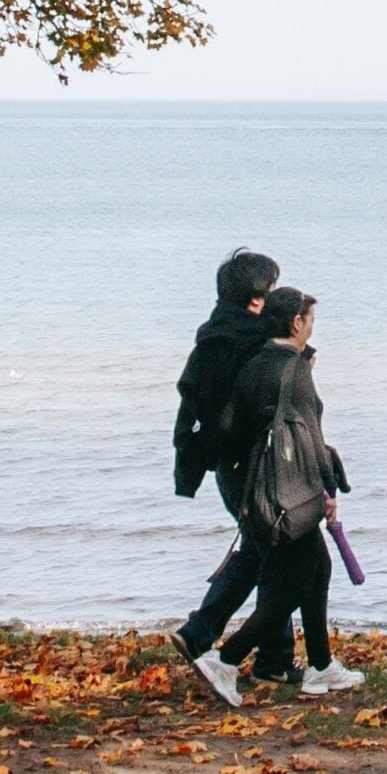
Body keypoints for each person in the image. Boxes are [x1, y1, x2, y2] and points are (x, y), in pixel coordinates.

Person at [202, 287, 361, 702]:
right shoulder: (295, 370)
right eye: (309, 322)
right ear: (296, 323)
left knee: (318, 569)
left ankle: (321, 667)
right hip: (295, 496)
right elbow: (311, 437)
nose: (310, 329)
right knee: (289, 589)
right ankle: (224, 660)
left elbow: (230, 431)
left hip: (262, 494)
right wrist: (328, 491)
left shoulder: (254, 365)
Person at [169, 249, 279, 674]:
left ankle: (275, 657)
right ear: (255, 300)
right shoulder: (254, 346)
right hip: (255, 463)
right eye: (269, 291)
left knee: (269, 551)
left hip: (224, 465)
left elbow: (192, 403)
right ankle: (201, 630)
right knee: (264, 552)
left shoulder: (210, 338)